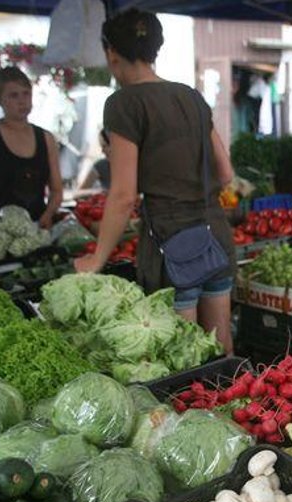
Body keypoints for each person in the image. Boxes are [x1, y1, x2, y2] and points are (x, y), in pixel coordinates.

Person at [74, 8, 236, 354]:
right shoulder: (191, 97)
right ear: (154, 50)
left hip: (170, 244)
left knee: (182, 358)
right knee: (221, 351)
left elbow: (122, 195)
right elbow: (225, 173)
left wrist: (97, 259)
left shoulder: (123, 104)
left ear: (111, 53)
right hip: (215, 235)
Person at [0, 66, 63, 228]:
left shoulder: (46, 138)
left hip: (36, 227)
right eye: (14, 95)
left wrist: (48, 215)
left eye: (26, 93)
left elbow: (56, 191)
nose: (22, 101)